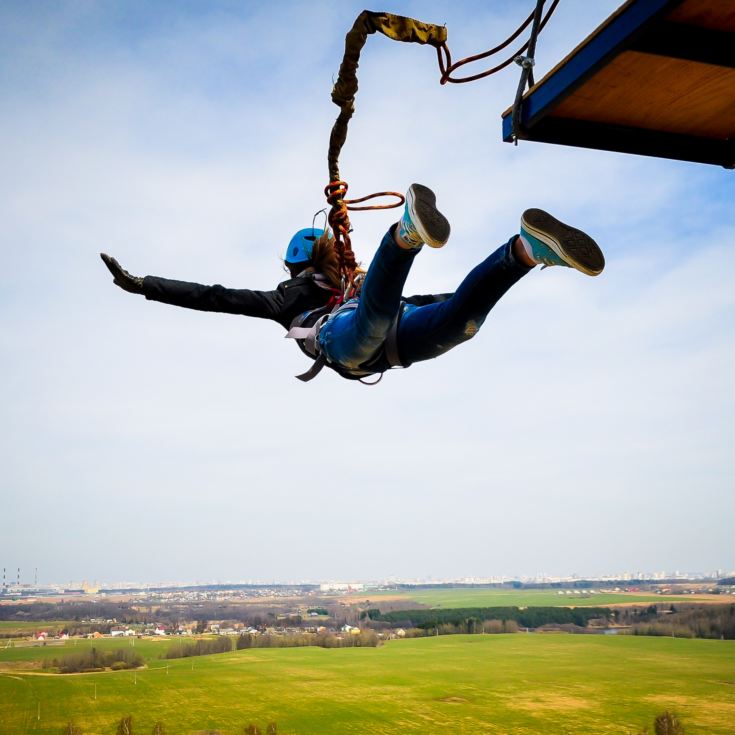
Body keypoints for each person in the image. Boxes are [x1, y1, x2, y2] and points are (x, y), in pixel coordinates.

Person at [101, 184, 604, 383]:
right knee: (395, 314)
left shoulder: (324, 290)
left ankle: (520, 251)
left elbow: (214, 296)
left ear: (295, 263)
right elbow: (213, 299)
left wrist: (457, 299)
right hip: (377, 344)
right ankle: (519, 251)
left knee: (462, 324)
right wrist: (144, 283)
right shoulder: (294, 300)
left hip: (362, 339)